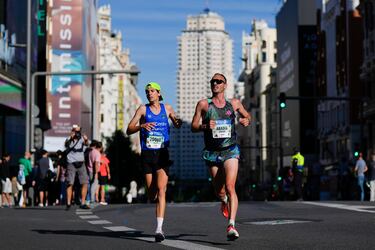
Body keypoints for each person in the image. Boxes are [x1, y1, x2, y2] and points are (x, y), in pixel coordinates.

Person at [191, 73, 251, 241]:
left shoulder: (234, 103)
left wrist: (246, 120)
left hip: (230, 150)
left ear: (225, 85)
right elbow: (193, 126)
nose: (215, 83)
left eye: (219, 81)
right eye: (213, 81)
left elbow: (247, 116)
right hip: (212, 152)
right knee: (220, 190)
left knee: (231, 186)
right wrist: (204, 125)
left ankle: (231, 225)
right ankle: (223, 200)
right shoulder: (204, 104)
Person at [126, 81, 182, 242]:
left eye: (152, 91)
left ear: (159, 93)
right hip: (147, 154)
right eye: (147, 91)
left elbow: (177, 123)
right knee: (152, 193)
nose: (149, 93)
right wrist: (141, 126)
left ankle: (159, 229)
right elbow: (128, 129)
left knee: (162, 190)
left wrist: (177, 122)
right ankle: (153, 196)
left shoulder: (167, 108)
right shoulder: (143, 109)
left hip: (163, 153)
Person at [64, 124, 90, 210]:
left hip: (81, 163)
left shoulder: (82, 138)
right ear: (72, 131)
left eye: (78, 131)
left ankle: (82, 203)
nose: (77, 133)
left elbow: (87, 144)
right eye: (75, 131)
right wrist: (71, 137)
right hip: (71, 163)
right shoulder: (69, 139)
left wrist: (85, 139)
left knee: (85, 182)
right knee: (70, 183)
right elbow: (66, 144)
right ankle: (68, 203)